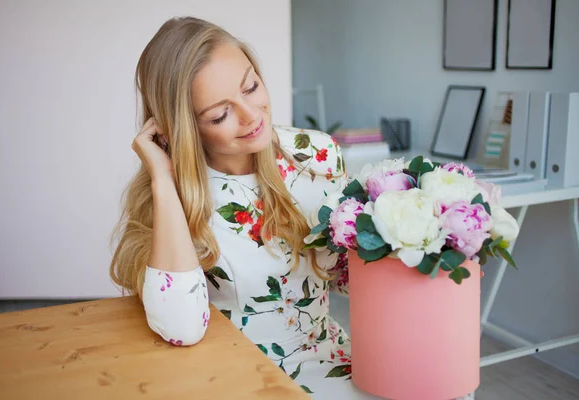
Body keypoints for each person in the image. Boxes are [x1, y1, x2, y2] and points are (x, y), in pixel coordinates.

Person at [110, 16, 472, 400]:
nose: (252, 116)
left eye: (251, 87)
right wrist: (164, 181)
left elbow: (345, 279)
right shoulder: (174, 195)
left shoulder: (316, 155)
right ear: (183, 128)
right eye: (220, 114)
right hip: (231, 377)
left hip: (327, 359)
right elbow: (182, 328)